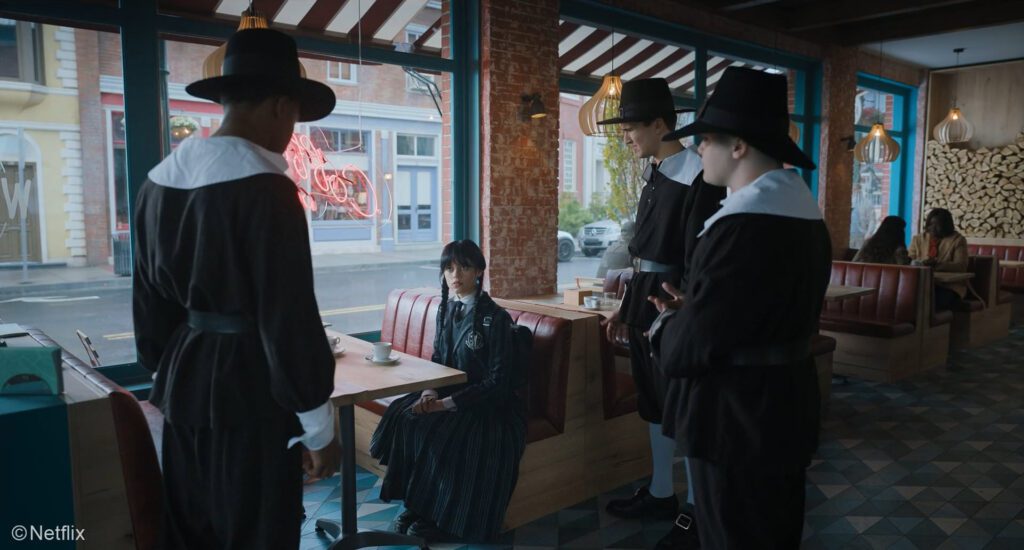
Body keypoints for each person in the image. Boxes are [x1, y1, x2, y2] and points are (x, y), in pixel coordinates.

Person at [133, 29, 341, 549]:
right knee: (258, 536)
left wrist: (172, 374)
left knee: (191, 535)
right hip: (252, 400)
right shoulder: (268, 190)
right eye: (294, 117)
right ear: (280, 105)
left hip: (183, 394)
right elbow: (287, 319)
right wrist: (319, 430)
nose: (291, 132)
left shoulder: (156, 183)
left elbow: (149, 311)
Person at [649, 66, 831, 548]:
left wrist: (667, 324)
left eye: (707, 139)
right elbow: (752, 310)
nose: (699, 149)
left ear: (739, 147)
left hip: (737, 421)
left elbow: (691, 346)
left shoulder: (741, 227)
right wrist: (699, 306)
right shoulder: (805, 218)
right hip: (785, 407)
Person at [596, 78, 725, 549]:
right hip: (646, 296)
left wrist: (684, 312)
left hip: (674, 301)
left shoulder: (697, 177)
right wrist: (625, 308)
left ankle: (696, 510)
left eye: (631, 127)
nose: (626, 136)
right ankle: (660, 492)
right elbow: (643, 256)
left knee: (683, 408)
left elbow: (697, 258)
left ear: (658, 125)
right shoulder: (655, 171)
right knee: (653, 404)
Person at [370, 239, 527, 543]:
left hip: (489, 405)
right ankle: (418, 506)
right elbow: (438, 359)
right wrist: (429, 392)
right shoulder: (446, 309)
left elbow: (498, 383)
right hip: (448, 394)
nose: (455, 275)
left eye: (464, 267)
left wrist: (445, 404)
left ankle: (445, 520)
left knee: (442, 434)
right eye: (449, 268)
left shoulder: (495, 318)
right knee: (406, 417)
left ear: (478, 271)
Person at [909, 207, 969, 310]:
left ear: (946, 226)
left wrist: (937, 265)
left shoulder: (958, 240)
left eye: (937, 225)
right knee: (910, 299)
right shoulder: (918, 239)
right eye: (930, 224)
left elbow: (961, 266)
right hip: (922, 284)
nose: (932, 228)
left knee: (933, 301)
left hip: (949, 286)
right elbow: (909, 260)